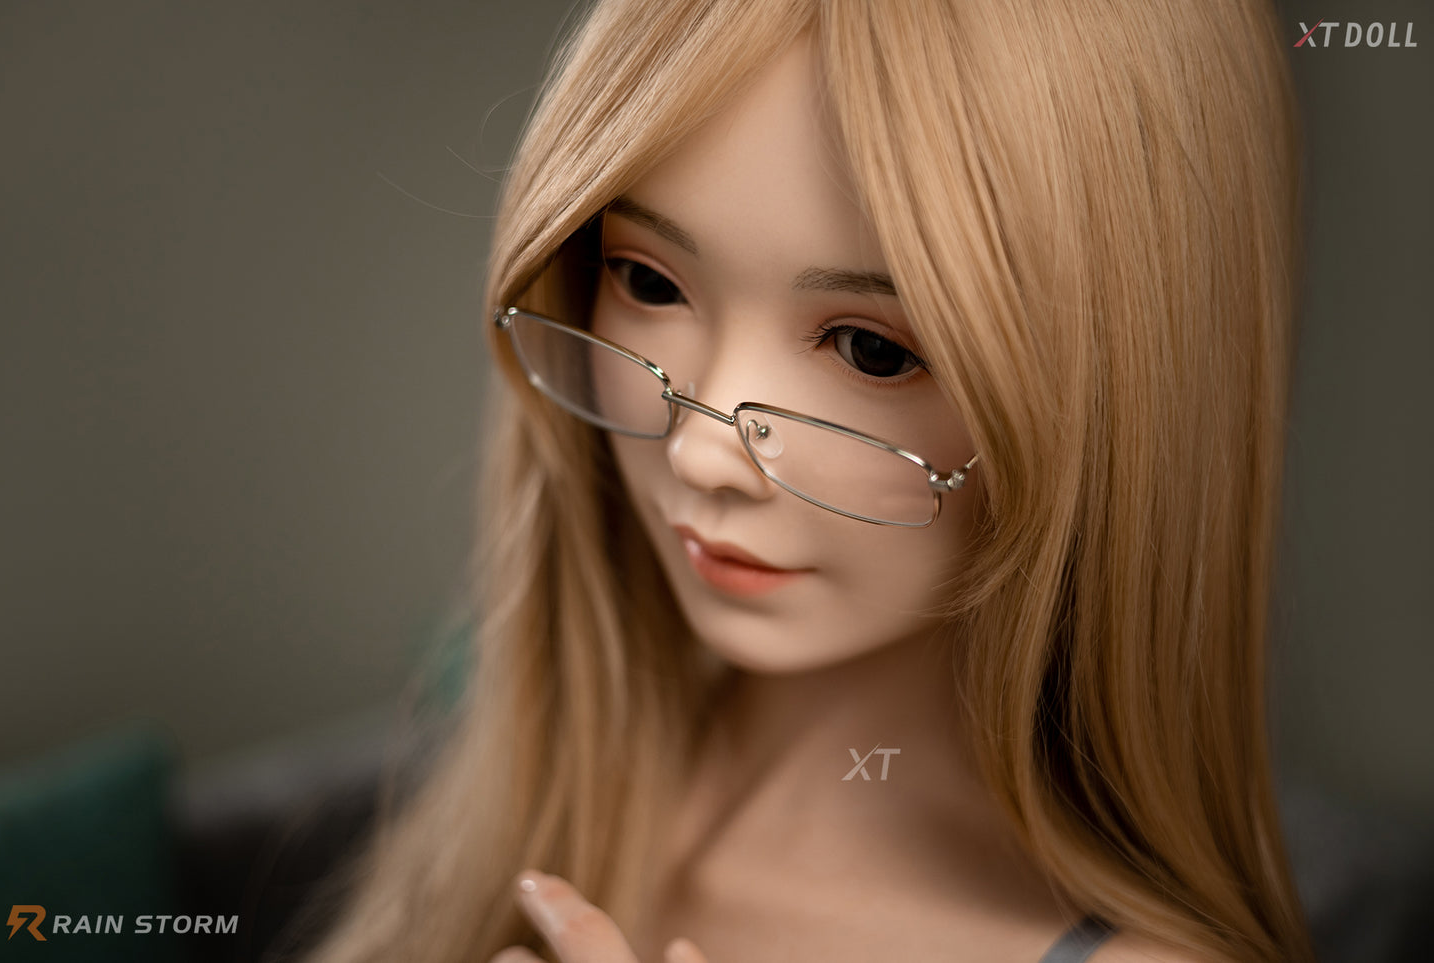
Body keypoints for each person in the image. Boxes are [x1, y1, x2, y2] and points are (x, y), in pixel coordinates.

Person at [298, 0, 1313, 960]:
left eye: (872, 350)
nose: (701, 453)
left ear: (1119, 401)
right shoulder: (490, 794)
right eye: (647, 280)